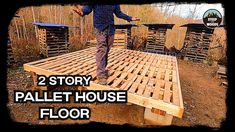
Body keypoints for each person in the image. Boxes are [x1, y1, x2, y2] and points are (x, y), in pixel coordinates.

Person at [73, 4, 140, 85]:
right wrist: (82, 12)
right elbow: (88, 8)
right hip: (99, 28)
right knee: (102, 49)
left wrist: (130, 18)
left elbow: (118, 13)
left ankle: (103, 70)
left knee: (107, 50)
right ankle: (100, 75)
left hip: (110, 28)